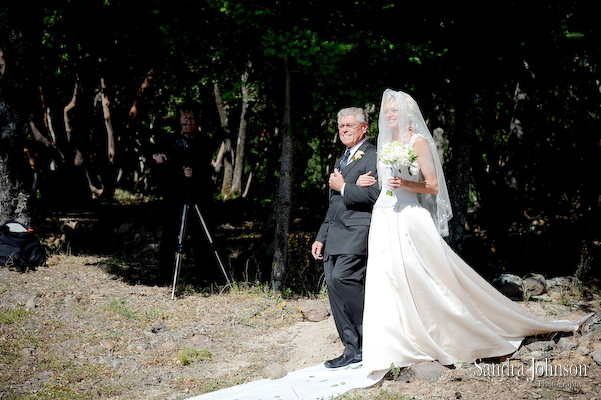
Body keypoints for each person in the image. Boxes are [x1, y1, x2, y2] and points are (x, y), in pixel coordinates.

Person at [356, 89, 592, 374]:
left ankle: (442, 333)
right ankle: (391, 346)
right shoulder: (387, 143)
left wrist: (405, 185)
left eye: (395, 110)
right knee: (385, 278)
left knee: (423, 277)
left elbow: (432, 186)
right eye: (387, 111)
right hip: (383, 215)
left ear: (407, 114)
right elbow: (385, 182)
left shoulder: (418, 142)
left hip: (408, 218)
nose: (390, 115)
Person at [311, 107, 380, 368]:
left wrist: (345, 187)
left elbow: (376, 194)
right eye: (340, 126)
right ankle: (352, 348)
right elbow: (334, 203)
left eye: (349, 125)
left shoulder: (373, 155)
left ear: (364, 127)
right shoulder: (343, 158)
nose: (344, 130)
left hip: (357, 230)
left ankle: (372, 337)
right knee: (334, 289)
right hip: (335, 233)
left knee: (344, 278)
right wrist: (321, 236)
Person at [151, 104, 219, 287]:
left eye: (191, 117)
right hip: (175, 193)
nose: (187, 121)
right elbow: (160, 160)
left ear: (196, 120)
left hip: (198, 193)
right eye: (184, 117)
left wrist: (193, 172)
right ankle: (165, 278)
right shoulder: (170, 139)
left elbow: (205, 164)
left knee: (202, 235)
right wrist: (166, 162)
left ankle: (206, 276)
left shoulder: (204, 140)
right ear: (179, 119)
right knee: (169, 236)